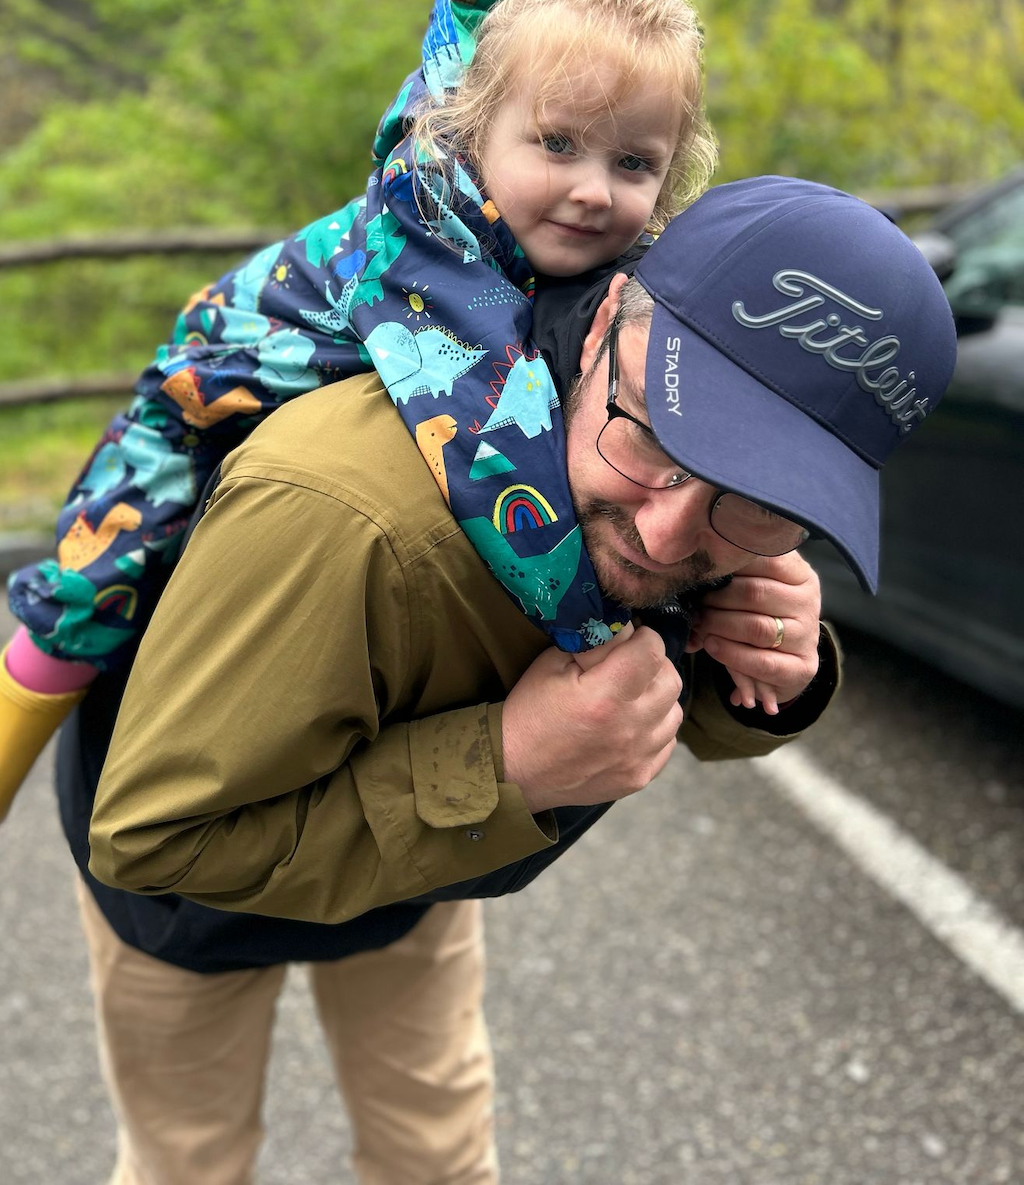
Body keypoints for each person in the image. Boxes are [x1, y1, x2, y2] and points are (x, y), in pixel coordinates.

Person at [74, 174, 956, 1184]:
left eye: (761, 497)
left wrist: (763, 667)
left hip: (407, 877)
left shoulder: (663, 469)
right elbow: (150, 839)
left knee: (440, 1158)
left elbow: (658, 695)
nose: (667, 533)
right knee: (188, 1161)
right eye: (658, 434)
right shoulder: (336, 511)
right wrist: (508, 766)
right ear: (605, 326)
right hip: (192, 897)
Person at [0, 0, 721, 901]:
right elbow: (488, 446)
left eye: (633, 164)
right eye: (558, 144)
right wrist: (596, 629)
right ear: (473, 131)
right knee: (101, 561)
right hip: (214, 384)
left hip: (390, 876)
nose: (595, 190)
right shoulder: (430, 231)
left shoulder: (597, 261)